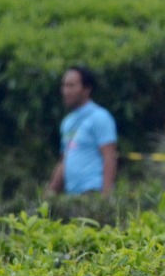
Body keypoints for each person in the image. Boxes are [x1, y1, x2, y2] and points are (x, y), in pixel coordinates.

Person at [47, 66, 117, 196]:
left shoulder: (100, 117)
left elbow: (109, 157)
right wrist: (50, 193)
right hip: (72, 195)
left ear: (87, 89)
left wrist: (106, 196)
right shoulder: (67, 122)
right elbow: (64, 160)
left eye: (71, 86)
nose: (65, 91)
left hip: (93, 192)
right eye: (64, 86)